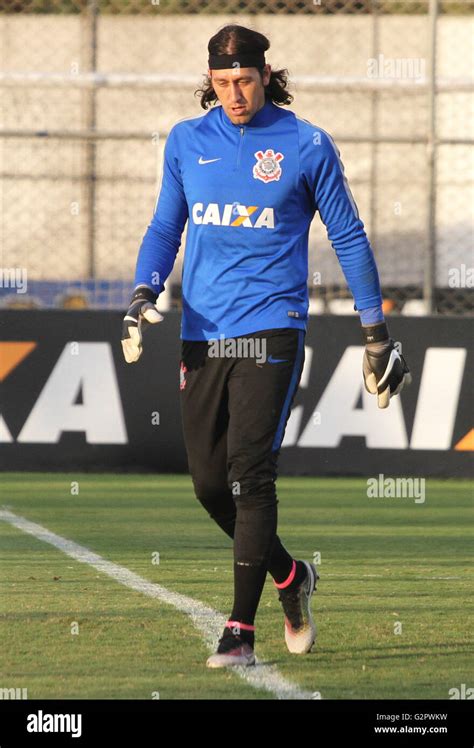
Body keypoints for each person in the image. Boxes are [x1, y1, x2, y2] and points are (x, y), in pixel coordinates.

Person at [121, 24, 411, 668]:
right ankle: (290, 575)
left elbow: (350, 237)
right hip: (202, 334)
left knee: (251, 476)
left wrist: (375, 333)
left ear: (264, 74)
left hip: (271, 330)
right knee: (206, 485)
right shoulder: (186, 141)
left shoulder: (306, 145)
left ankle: (240, 631)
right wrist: (142, 292)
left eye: (244, 80)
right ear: (210, 81)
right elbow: (166, 225)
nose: (234, 94)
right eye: (222, 83)